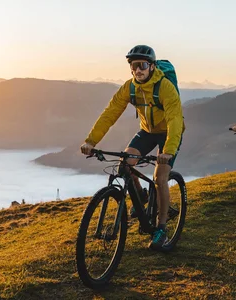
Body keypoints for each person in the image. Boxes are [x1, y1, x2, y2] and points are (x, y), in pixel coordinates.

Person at [80, 45, 184, 250]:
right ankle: (141, 197)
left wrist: (168, 150)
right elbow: (110, 114)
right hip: (147, 132)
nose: (138, 70)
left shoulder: (165, 87)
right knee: (124, 165)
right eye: (134, 66)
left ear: (152, 67)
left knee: (160, 177)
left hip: (169, 133)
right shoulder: (130, 87)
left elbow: (174, 119)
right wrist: (91, 141)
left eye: (143, 65)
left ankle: (161, 229)